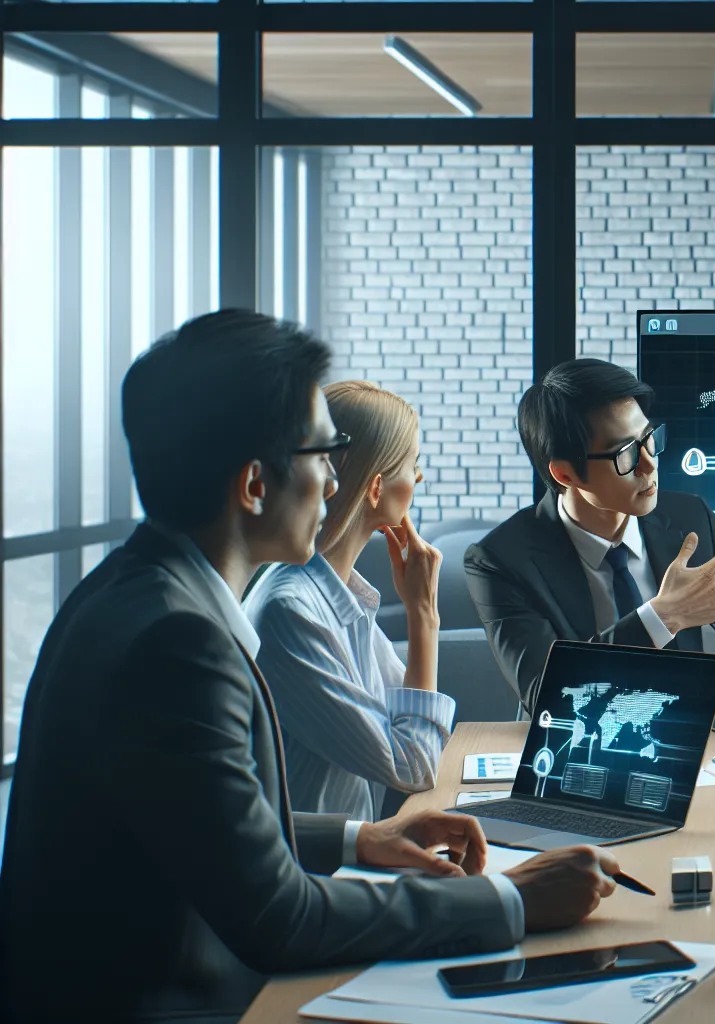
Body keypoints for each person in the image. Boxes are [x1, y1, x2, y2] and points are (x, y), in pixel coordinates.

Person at [0, 312, 621, 1022]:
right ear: (255, 486)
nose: (334, 484)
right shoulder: (180, 645)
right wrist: (510, 897)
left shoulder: (130, 592)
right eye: (324, 455)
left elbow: (209, 827)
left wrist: (363, 837)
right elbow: (278, 915)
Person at [466, 358, 715, 710]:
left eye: (649, 439)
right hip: (576, 746)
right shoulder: (500, 560)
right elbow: (546, 694)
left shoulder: (691, 518)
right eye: (625, 454)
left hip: (690, 737)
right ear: (565, 475)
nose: (649, 464)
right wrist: (665, 615)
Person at [245, 381, 454, 820]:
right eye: (412, 464)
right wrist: (423, 616)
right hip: (319, 873)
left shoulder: (337, 593)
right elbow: (412, 764)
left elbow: (415, 722)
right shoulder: (292, 612)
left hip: (355, 854)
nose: (418, 478)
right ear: (376, 489)